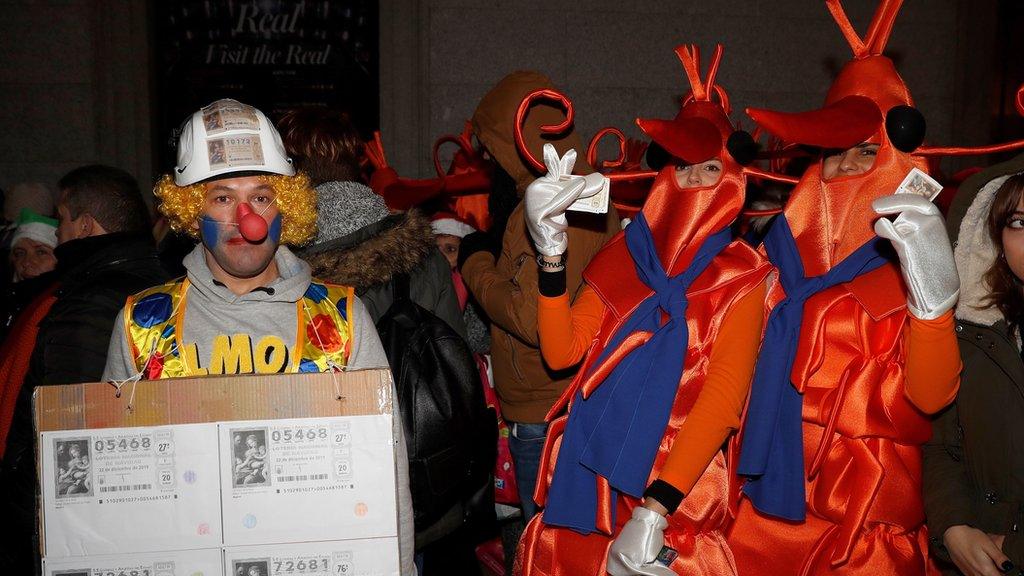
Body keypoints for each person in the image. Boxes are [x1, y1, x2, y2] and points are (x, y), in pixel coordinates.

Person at [99, 99, 415, 576]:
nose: (246, 217)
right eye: (222, 197)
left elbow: (385, 468)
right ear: (191, 211)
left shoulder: (340, 318)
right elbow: (114, 482)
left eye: (262, 197)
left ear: (285, 207)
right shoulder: (144, 322)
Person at [516, 44, 769, 576]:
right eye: (682, 166)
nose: (695, 181)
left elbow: (722, 401)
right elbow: (562, 353)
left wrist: (655, 512)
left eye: (709, 167)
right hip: (592, 477)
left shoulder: (742, 273)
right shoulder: (622, 258)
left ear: (732, 173)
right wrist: (552, 254)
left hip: (680, 492)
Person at [727, 2, 962, 574]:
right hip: (764, 500)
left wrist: (934, 309)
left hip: (863, 514)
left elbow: (930, 399)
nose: (847, 171)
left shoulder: (911, 268)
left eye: (866, 153)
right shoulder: (771, 259)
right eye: (834, 155)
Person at [457, 70, 620, 523]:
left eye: (492, 150)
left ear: (517, 143)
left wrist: (475, 264)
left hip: (543, 410)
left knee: (540, 544)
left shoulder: (553, 202)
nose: (490, 162)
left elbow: (529, 316)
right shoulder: (579, 193)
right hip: (551, 401)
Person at [0, 164, 171, 572]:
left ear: (85, 225)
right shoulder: (156, 281)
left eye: (61, 219)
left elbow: (64, 426)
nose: (58, 234)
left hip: (60, 518)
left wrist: (18, 525)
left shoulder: (94, 298)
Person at [924, 157, 1024, 576]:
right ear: (996, 238)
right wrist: (954, 527)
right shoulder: (975, 335)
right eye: (1020, 222)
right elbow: (941, 442)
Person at [1, 208, 58, 343]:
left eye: (41, 252)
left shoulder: (61, 310)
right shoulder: (8, 300)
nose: (27, 262)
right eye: (20, 253)